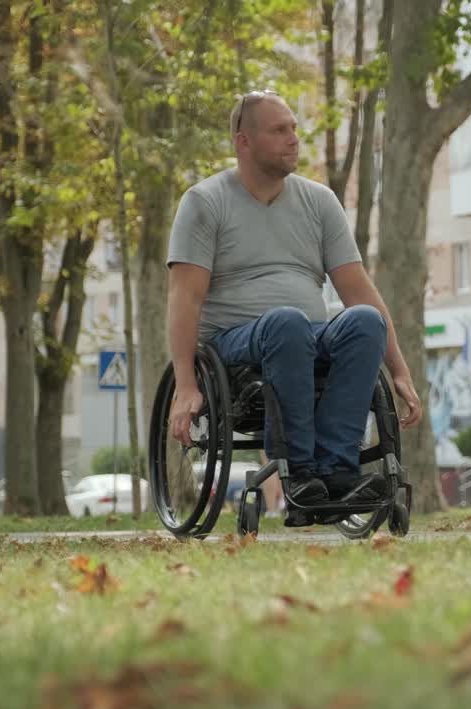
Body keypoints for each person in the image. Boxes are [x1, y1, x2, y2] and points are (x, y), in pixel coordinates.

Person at [165, 90, 422, 527]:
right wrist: (186, 383)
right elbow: (184, 298)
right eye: (279, 130)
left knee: (364, 321)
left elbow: (360, 291)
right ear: (243, 142)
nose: (293, 139)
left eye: (294, 129)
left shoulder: (319, 202)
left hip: (307, 337)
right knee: (287, 322)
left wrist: (399, 370)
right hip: (235, 345)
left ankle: (337, 471)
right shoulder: (205, 202)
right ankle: (299, 472)